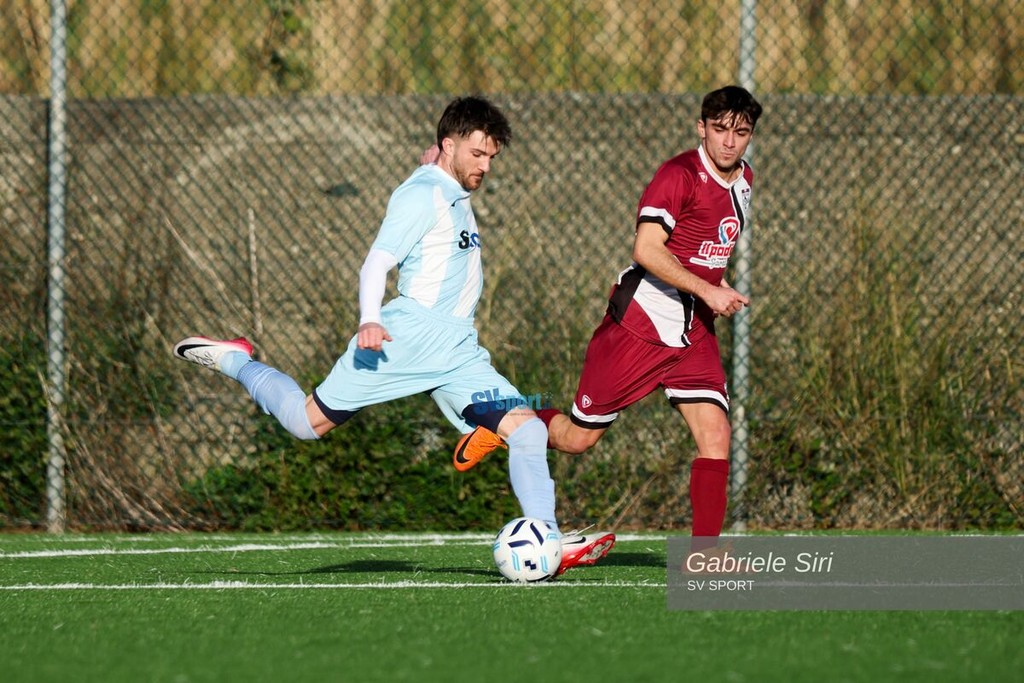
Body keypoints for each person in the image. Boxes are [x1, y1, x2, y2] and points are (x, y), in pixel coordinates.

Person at [173, 96, 613, 573]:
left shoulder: (447, 183)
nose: (486, 166)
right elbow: (376, 262)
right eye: (477, 154)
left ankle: (546, 540)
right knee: (305, 423)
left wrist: (435, 162)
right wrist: (370, 319)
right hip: (402, 339)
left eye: (492, 156)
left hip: (457, 350)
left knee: (528, 429)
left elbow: (440, 178)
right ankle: (236, 360)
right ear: (449, 145)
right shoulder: (421, 195)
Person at [454, 86, 763, 548]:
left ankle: (705, 556)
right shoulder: (678, 176)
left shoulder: (744, 178)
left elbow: (702, 249)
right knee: (577, 439)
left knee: (716, 435)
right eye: (720, 129)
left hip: (693, 331)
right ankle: (504, 422)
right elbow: (646, 249)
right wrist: (707, 289)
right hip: (640, 326)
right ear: (701, 128)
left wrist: (711, 292)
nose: (730, 141)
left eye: (741, 132)